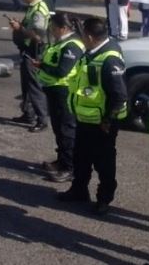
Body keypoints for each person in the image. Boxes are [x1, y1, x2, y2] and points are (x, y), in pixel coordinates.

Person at [58, 17, 129, 216]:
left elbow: (119, 95)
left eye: (82, 35)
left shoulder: (109, 59)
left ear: (89, 37)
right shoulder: (91, 53)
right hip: (85, 119)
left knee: (104, 163)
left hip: (102, 123)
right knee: (81, 157)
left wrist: (108, 120)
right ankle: (78, 190)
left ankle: (104, 199)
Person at [40, 13, 85, 183]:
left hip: (65, 91)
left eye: (53, 27)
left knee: (67, 130)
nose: (51, 30)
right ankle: (61, 161)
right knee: (58, 129)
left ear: (63, 28)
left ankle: (69, 168)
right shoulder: (62, 42)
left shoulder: (72, 45)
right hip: (54, 90)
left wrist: (42, 66)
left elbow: (62, 71)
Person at [9, 0, 50, 132]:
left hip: (34, 52)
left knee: (34, 86)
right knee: (26, 85)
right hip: (27, 50)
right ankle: (28, 114)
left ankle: (42, 119)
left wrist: (20, 28)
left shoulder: (39, 9)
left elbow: (38, 36)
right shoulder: (33, 7)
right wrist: (21, 25)